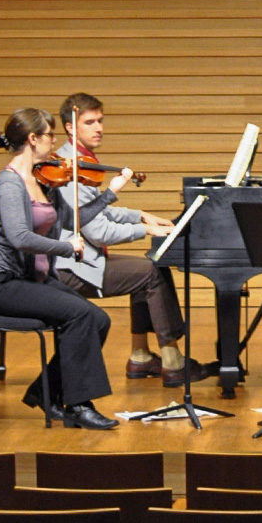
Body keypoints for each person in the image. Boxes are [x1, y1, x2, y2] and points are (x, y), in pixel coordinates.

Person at [0, 107, 132, 430]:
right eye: (50, 135)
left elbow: (72, 220)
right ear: (33, 139)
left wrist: (110, 194)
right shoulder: (10, 184)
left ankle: (45, 393)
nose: (55, 141)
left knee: (98, 319)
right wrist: (66, 247)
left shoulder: (42, 181)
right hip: (1, 284)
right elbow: (19, 238)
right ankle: (78, 406)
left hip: (32, 280)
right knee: (81, 315)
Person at [54, 92, 215, 388]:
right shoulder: (67, 168)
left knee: (144, 268)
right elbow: (97, 231)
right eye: (89, 122)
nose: (98, 127)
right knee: (151, 273)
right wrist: (147, 231)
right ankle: (172, 360)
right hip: (71, 269)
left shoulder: (82, 161)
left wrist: (140, 215)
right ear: (69, 126)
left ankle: (140, 355)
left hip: (85, 260)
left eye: (100, 121)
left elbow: (97, 210)